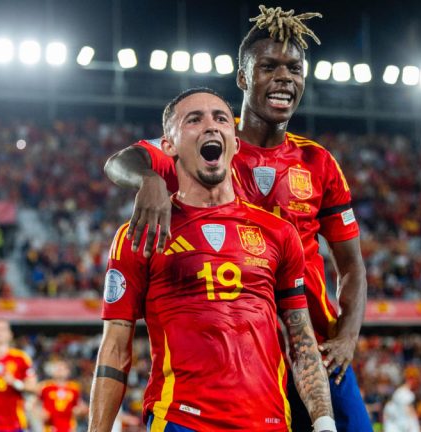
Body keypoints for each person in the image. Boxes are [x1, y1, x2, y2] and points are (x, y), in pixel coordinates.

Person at [104, 5, 371, 431]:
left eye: (294, 68)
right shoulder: (205, 144)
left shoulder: (317, 162)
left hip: (311, 349)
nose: (285, 77)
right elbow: (121, 162)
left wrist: (346, 337)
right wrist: (150, 178)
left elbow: (352, 267)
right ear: (244, 77)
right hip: (238, 358)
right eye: (269, 66)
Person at [89, 88, 335, 432]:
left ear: (234, 142)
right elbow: (115, 347)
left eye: (220, 118)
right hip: (180, 421)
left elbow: (301, 340)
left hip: (270, 423)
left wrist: (324, 422)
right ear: (169, 146)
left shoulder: (278, 233)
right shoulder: (140, 233)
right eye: (194, 119)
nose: (211, 126)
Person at [39, 359, 86, 432]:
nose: (60, 370)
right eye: (57, 368)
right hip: (49, 428)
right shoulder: (45, 387)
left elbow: (82, 407)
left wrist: (79, 411)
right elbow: (33, 403)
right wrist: (40, 413)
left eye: (62, 368)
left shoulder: (74, 388)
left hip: (69, 428)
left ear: (68, 371)